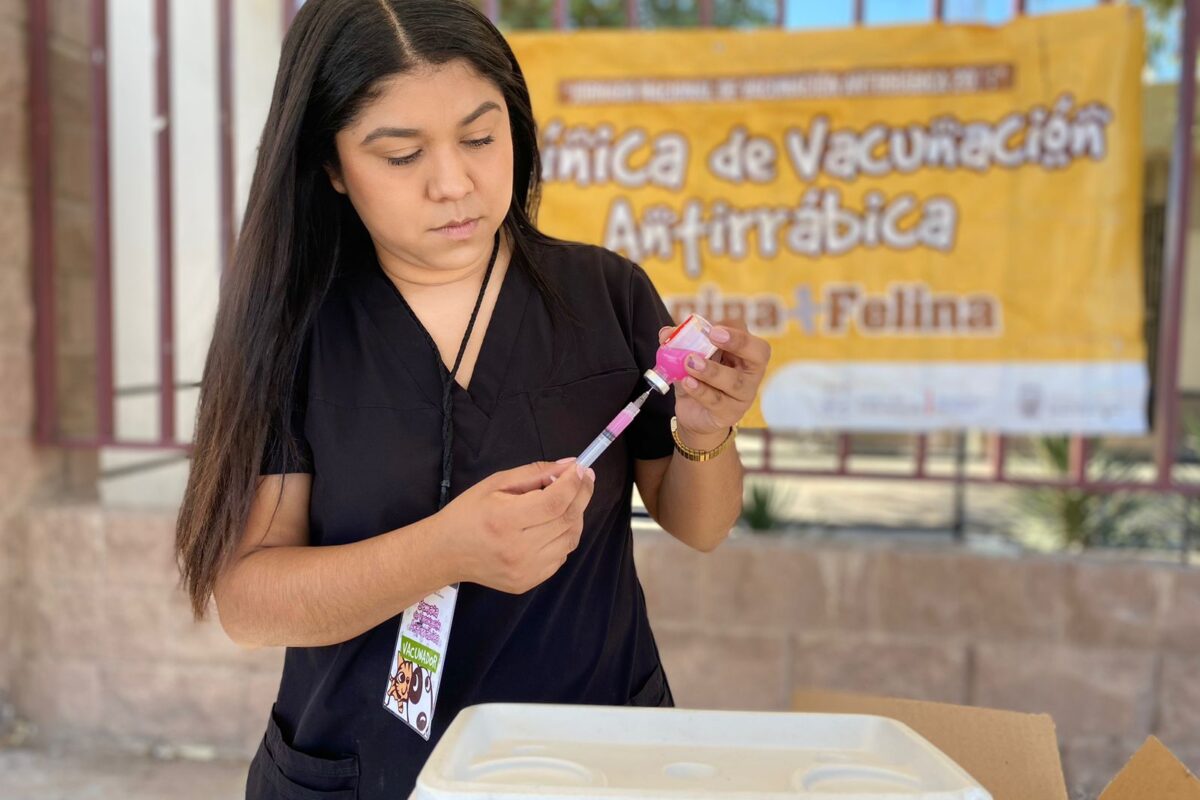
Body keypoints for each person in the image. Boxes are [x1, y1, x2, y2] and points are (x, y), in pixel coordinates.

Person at [174, 1, 772, 797]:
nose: (453, 183)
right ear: (331, 166)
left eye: (481, 138)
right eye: (400, 154)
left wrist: (706, 431)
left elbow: (699, 524)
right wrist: (446, 549)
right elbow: (249, 601)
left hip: (594, 759)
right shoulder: (295, 331)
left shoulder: (605, 294)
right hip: (365, 769)